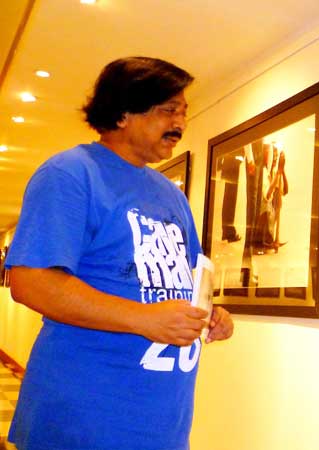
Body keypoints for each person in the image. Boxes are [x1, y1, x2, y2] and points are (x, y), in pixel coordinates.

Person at [5, 56, 234, 450]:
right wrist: (143, 318)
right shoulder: (69, 174)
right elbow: (30, 282)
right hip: (82, 422)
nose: (180, 122)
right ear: (124, 112)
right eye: (169, 110)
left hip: (161, 424)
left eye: (183, 111)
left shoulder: (172, 195)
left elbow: (187, 281)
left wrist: (213, 315)